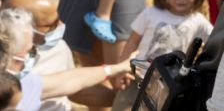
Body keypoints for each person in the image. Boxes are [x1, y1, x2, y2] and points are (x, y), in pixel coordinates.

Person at [110, 0, 212, 111]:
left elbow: (214, 42)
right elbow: (132, 41)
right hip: (139, 75)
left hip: (168, 84)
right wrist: (123, 68)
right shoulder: (151, 13)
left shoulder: (198, 21)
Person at [0, 8, 133, 111]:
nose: (33, 53)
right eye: (29, 50)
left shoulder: (20, 82)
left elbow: (69, 81)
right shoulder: (11, 88)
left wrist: (119, 68)